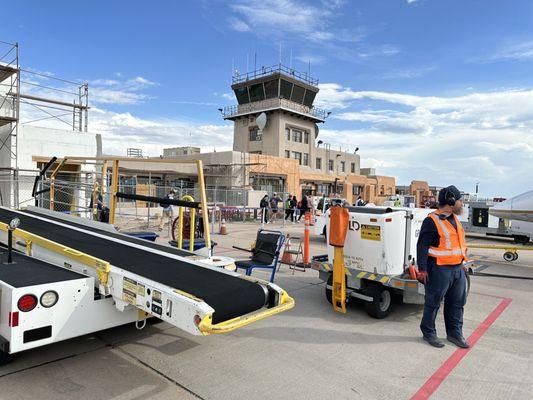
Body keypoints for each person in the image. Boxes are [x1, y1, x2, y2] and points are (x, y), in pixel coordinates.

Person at [416, 185, 469, 349]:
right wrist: (422, 269)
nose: (462, 203)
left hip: (458, 269)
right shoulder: (431, 220)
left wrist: (463, 264)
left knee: (457, 303)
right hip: (439, 269)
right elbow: (422, 246)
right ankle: (428, 332)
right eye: (460, 200)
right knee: (433, 303)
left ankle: (454, 333)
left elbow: (458, 244)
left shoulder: (455, 218)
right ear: (452, 201)